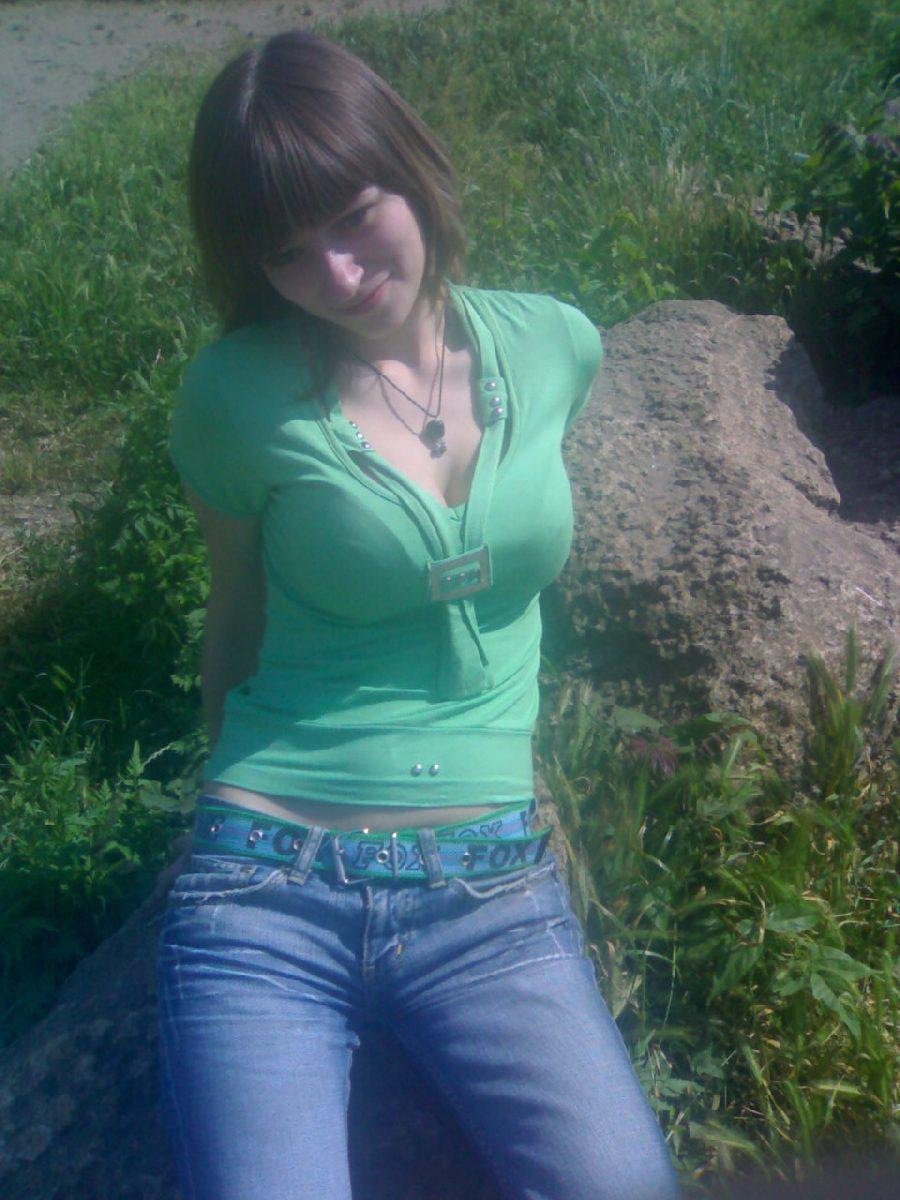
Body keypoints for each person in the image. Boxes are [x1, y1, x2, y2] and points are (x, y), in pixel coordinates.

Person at [156, 30, 681, 1200]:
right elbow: (233, 618)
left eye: (354, 217)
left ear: (412, 165)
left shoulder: (555, 345)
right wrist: (218, 798)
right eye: (289, 255)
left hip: (488, 887)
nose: (340, 275)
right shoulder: (234, 396)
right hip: (269, 886)